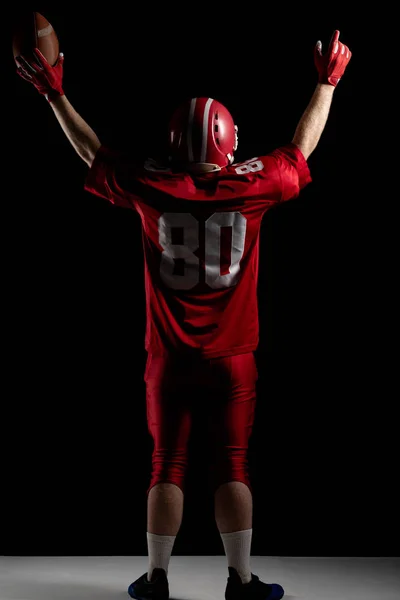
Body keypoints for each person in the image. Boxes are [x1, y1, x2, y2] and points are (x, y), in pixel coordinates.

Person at [15, 28, 351, 600]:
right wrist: (326, 84)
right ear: (230, 143)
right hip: (234, 358)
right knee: (234, 463)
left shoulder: (153, 185)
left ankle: (157, 579)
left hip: (168, 359)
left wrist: (54, 96)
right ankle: (241, 581)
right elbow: (301, 149)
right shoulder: (254, 185)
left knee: (166, 463)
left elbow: (92, 150)